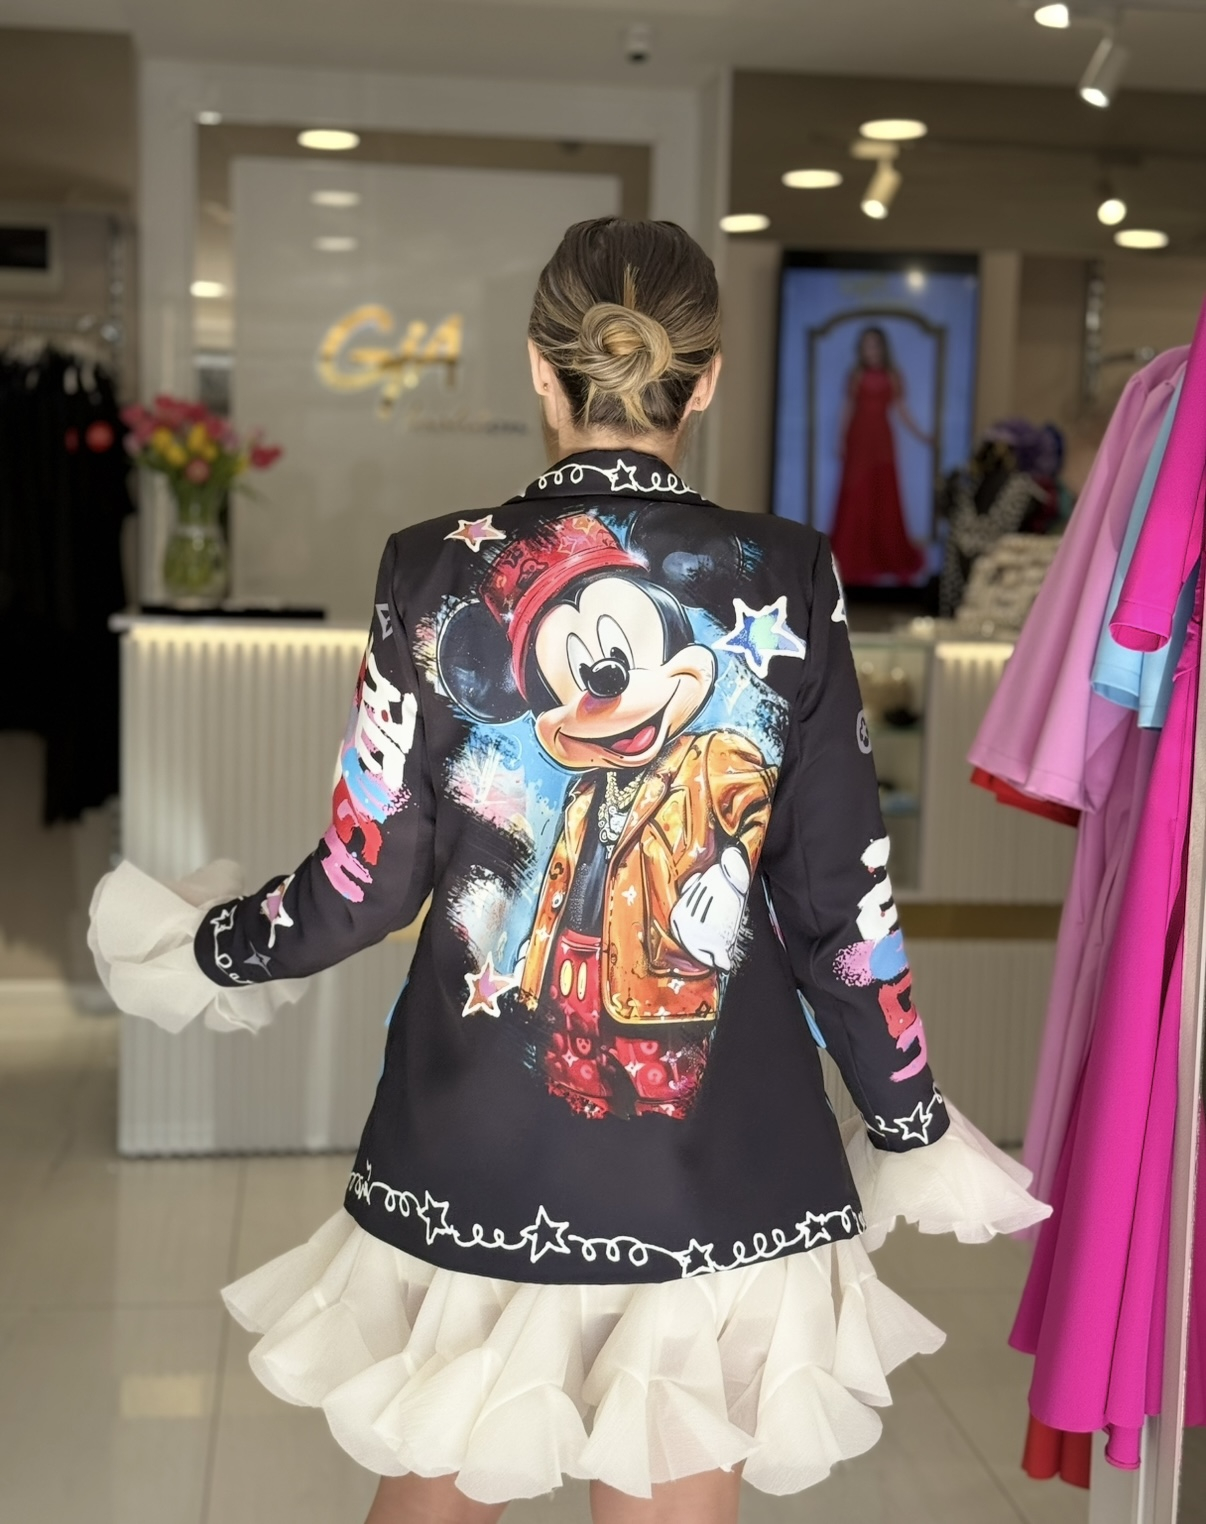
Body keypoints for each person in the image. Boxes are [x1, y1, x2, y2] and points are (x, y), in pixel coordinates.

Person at [90, 218, 1048, 1524]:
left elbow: (365, 882)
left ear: (539, 370)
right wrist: (906, 1116)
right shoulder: (788, 572)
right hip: (717, 1152)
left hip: (477, 1137)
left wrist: (209, 946)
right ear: (706, 381)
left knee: (435, 1486)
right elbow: (839, 904)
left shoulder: (430, 567)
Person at [829, 324, 929, 586]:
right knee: (857, 492)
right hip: (859, 439)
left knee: (883, 493)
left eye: (874, 345)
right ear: (861, 349)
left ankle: (885, 555)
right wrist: (840, 439)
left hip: (882, 440)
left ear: (883, 348)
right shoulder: (856, 375)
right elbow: (848, 407)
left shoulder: (893, 375)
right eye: (866, 346)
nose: (870, 350)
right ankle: (851, 556)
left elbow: (901, 410)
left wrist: (922, 435)